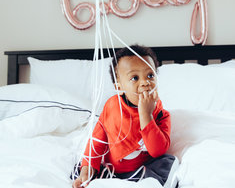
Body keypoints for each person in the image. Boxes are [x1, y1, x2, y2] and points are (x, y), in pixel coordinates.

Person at [72, 44, 178, 188]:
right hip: (112, 167)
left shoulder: (160, 114)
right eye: (134, 78)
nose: (145, 82)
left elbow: (157, 151)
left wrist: (146, 115)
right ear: (118, 86)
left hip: (143, 168)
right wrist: (87, 169)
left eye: (150, 75)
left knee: (166, 165)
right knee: (85, 168)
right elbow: (97, 141)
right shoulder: (112, 107)